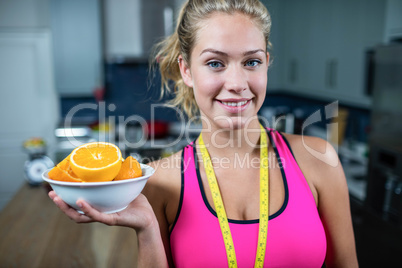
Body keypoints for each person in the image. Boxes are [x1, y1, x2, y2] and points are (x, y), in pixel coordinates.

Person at [49, 0, 359, 267]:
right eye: (215, 63)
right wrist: (146, 229)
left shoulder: (318, 160)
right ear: (186, 70)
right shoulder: (158, 181)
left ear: (267, 64)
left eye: (252, 61)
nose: (237, 82)